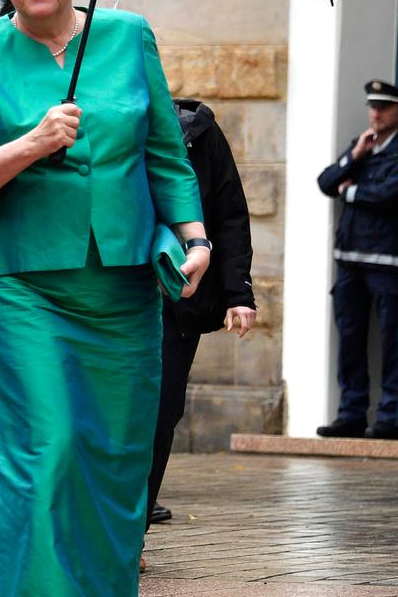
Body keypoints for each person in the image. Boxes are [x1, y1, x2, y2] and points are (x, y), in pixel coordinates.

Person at [0, 0, 208, 595]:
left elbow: (166, 154)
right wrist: (29, 143)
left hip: (118, 286)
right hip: (17, 282)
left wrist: (194, 236)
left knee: (113, 460)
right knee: (44, 450)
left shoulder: (129, 36)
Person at [146, 99, 255, 526]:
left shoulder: (200, 133)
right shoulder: (97, 120)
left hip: (176, 295)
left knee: (160, 411)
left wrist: (238, 292)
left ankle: (133, 525)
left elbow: (229, 215)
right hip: (108, 293)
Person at [315, 80, 398, 440]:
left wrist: (352, 191)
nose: (375, 113)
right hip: (349, 261)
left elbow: (391, 193)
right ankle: (351, 413)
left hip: (388, 262)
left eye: (383, 107)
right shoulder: (362, 147)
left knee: (392, 343)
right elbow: (326, 182)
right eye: (372, 106)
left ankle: (390, 417)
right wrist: (354, 157)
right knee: (350, 339)